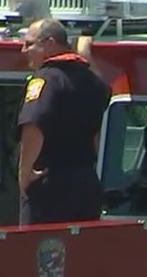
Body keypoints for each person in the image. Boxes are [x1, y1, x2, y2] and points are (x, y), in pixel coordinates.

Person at [17, 19, 112, 225]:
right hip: (87, 183)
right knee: (82, 252)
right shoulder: (93, 82)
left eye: (29, 44)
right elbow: (103, 89)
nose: (23, 50)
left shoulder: (45, 79)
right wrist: (85, 53)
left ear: (49, 43)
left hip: (51, 185)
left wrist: (25, 173)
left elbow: (34, 125)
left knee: (37, 251)